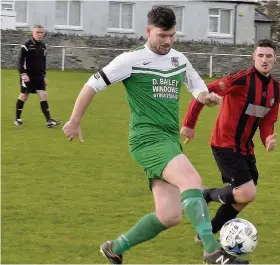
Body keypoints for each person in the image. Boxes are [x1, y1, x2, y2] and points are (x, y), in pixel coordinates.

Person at [61, 6, 249, 265]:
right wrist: (74, 120)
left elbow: (196, 85)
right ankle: (212, 252)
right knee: (191, 180)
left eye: (172, 35)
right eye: (162, 35)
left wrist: (206, 97)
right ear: (148, 31)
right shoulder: (130, 59)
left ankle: (115, 248)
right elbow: (92, 84)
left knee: (169, 215)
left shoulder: (178, 59)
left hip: (168, 140)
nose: (168, 41)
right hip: (146, 139)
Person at [181, 39, 280, 243]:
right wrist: (189, 124)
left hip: (245, 148)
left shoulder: (276, 89)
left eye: (268, 56)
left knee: (243, 197)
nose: (264, 60)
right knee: (247, 192)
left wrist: (267, 139)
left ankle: (206, 232)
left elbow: (267, 120)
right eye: (260, 55)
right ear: (253, 57)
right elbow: (204, 91)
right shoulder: (242, 79)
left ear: (275, 59)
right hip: (224, 143)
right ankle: (207, 195)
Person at [15, 25, 61, 128]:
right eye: (37, 32)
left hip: (39, 76)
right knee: (24, 96)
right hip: (28, 76)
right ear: (33, 33)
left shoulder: (43, 46)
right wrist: (23, 74)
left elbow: (43, 62)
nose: (40, 34)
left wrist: (44, 76)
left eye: (41, 32)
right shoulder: (26, 45)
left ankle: (49, 120)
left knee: (43, 95)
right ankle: (17, 118)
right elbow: (20, 61)